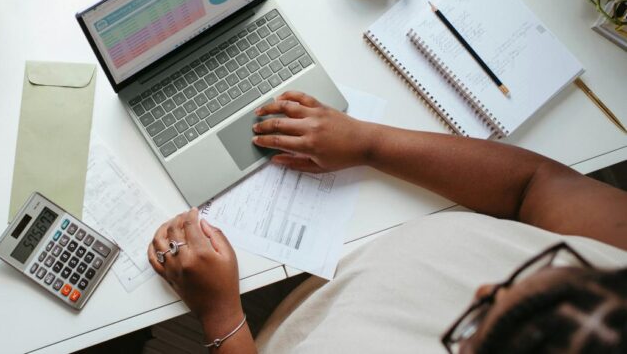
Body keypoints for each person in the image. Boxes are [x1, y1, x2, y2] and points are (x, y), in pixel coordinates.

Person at [147, 91, 627, 353]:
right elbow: (533, 184)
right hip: (341, 271)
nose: (483, 289)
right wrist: (367, 143)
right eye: (542, 266)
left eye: (474, 326)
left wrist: (222, 317)